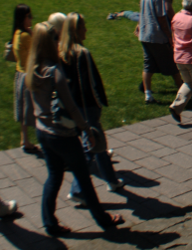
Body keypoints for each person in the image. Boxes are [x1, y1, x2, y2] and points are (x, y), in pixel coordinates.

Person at [27, 23, 124, 237]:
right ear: (48, 42)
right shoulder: (54, 72)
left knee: (54, 177)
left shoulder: (32, 69)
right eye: (55, 38)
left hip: (43, 132)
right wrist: (86, 129)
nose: (58, 42)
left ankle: (49, 222)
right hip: (63, 134)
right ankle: (104, 219)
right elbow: (70, 106)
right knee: (84, 177)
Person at [59, 13, 125, 204]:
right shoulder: (82, 53)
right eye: (84, 26)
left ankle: (112, 181)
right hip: (87, 107)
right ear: (76, 30)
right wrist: (97, 104)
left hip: (72, 107)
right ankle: (77, 189)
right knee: (91, 146)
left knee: (99, 146)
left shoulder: (62, 52)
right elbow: (90, 83)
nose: (86, 29)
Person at [139, 0, 182, 104]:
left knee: (148, 66)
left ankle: (148, 94)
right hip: (157, 35)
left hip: (144, 35)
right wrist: (169, 35)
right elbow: (162, 18)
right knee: (173, 66)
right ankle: (184, 93)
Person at [168, 0, 192, 126]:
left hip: (178, 56)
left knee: (188, 83)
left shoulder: (176, 17)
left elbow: (173, 35)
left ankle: (176, 106)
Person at [12, 4, 38, 154]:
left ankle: (25, 139)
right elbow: (36, 54)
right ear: (22, 18)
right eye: (29, 16)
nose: (31, 19)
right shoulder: (26, 36)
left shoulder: (17, 34)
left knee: (23, 110)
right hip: (29, 75)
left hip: (19, 74)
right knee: (35, 109)